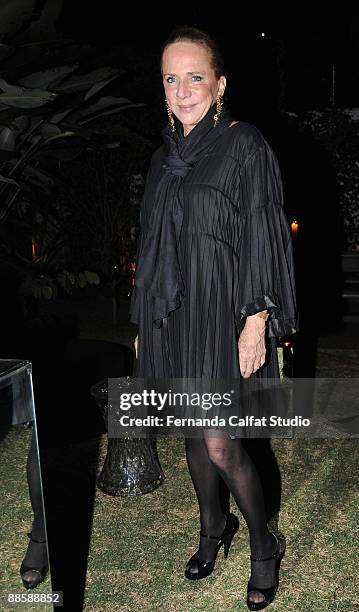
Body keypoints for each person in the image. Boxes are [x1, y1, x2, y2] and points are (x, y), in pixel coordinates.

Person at [130, 25, 298, 610]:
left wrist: (256, 319)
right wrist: (143, 323)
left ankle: (261, 544)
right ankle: (211, 529)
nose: (182, 90)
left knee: (222, 442)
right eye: (171, 79)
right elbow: (150, 244)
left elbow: (263, 229)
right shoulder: (162, 158)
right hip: (175, 317)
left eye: (194, 76)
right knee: (192, 435)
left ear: (219, 84)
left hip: (225, 311)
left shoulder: (244, 144)